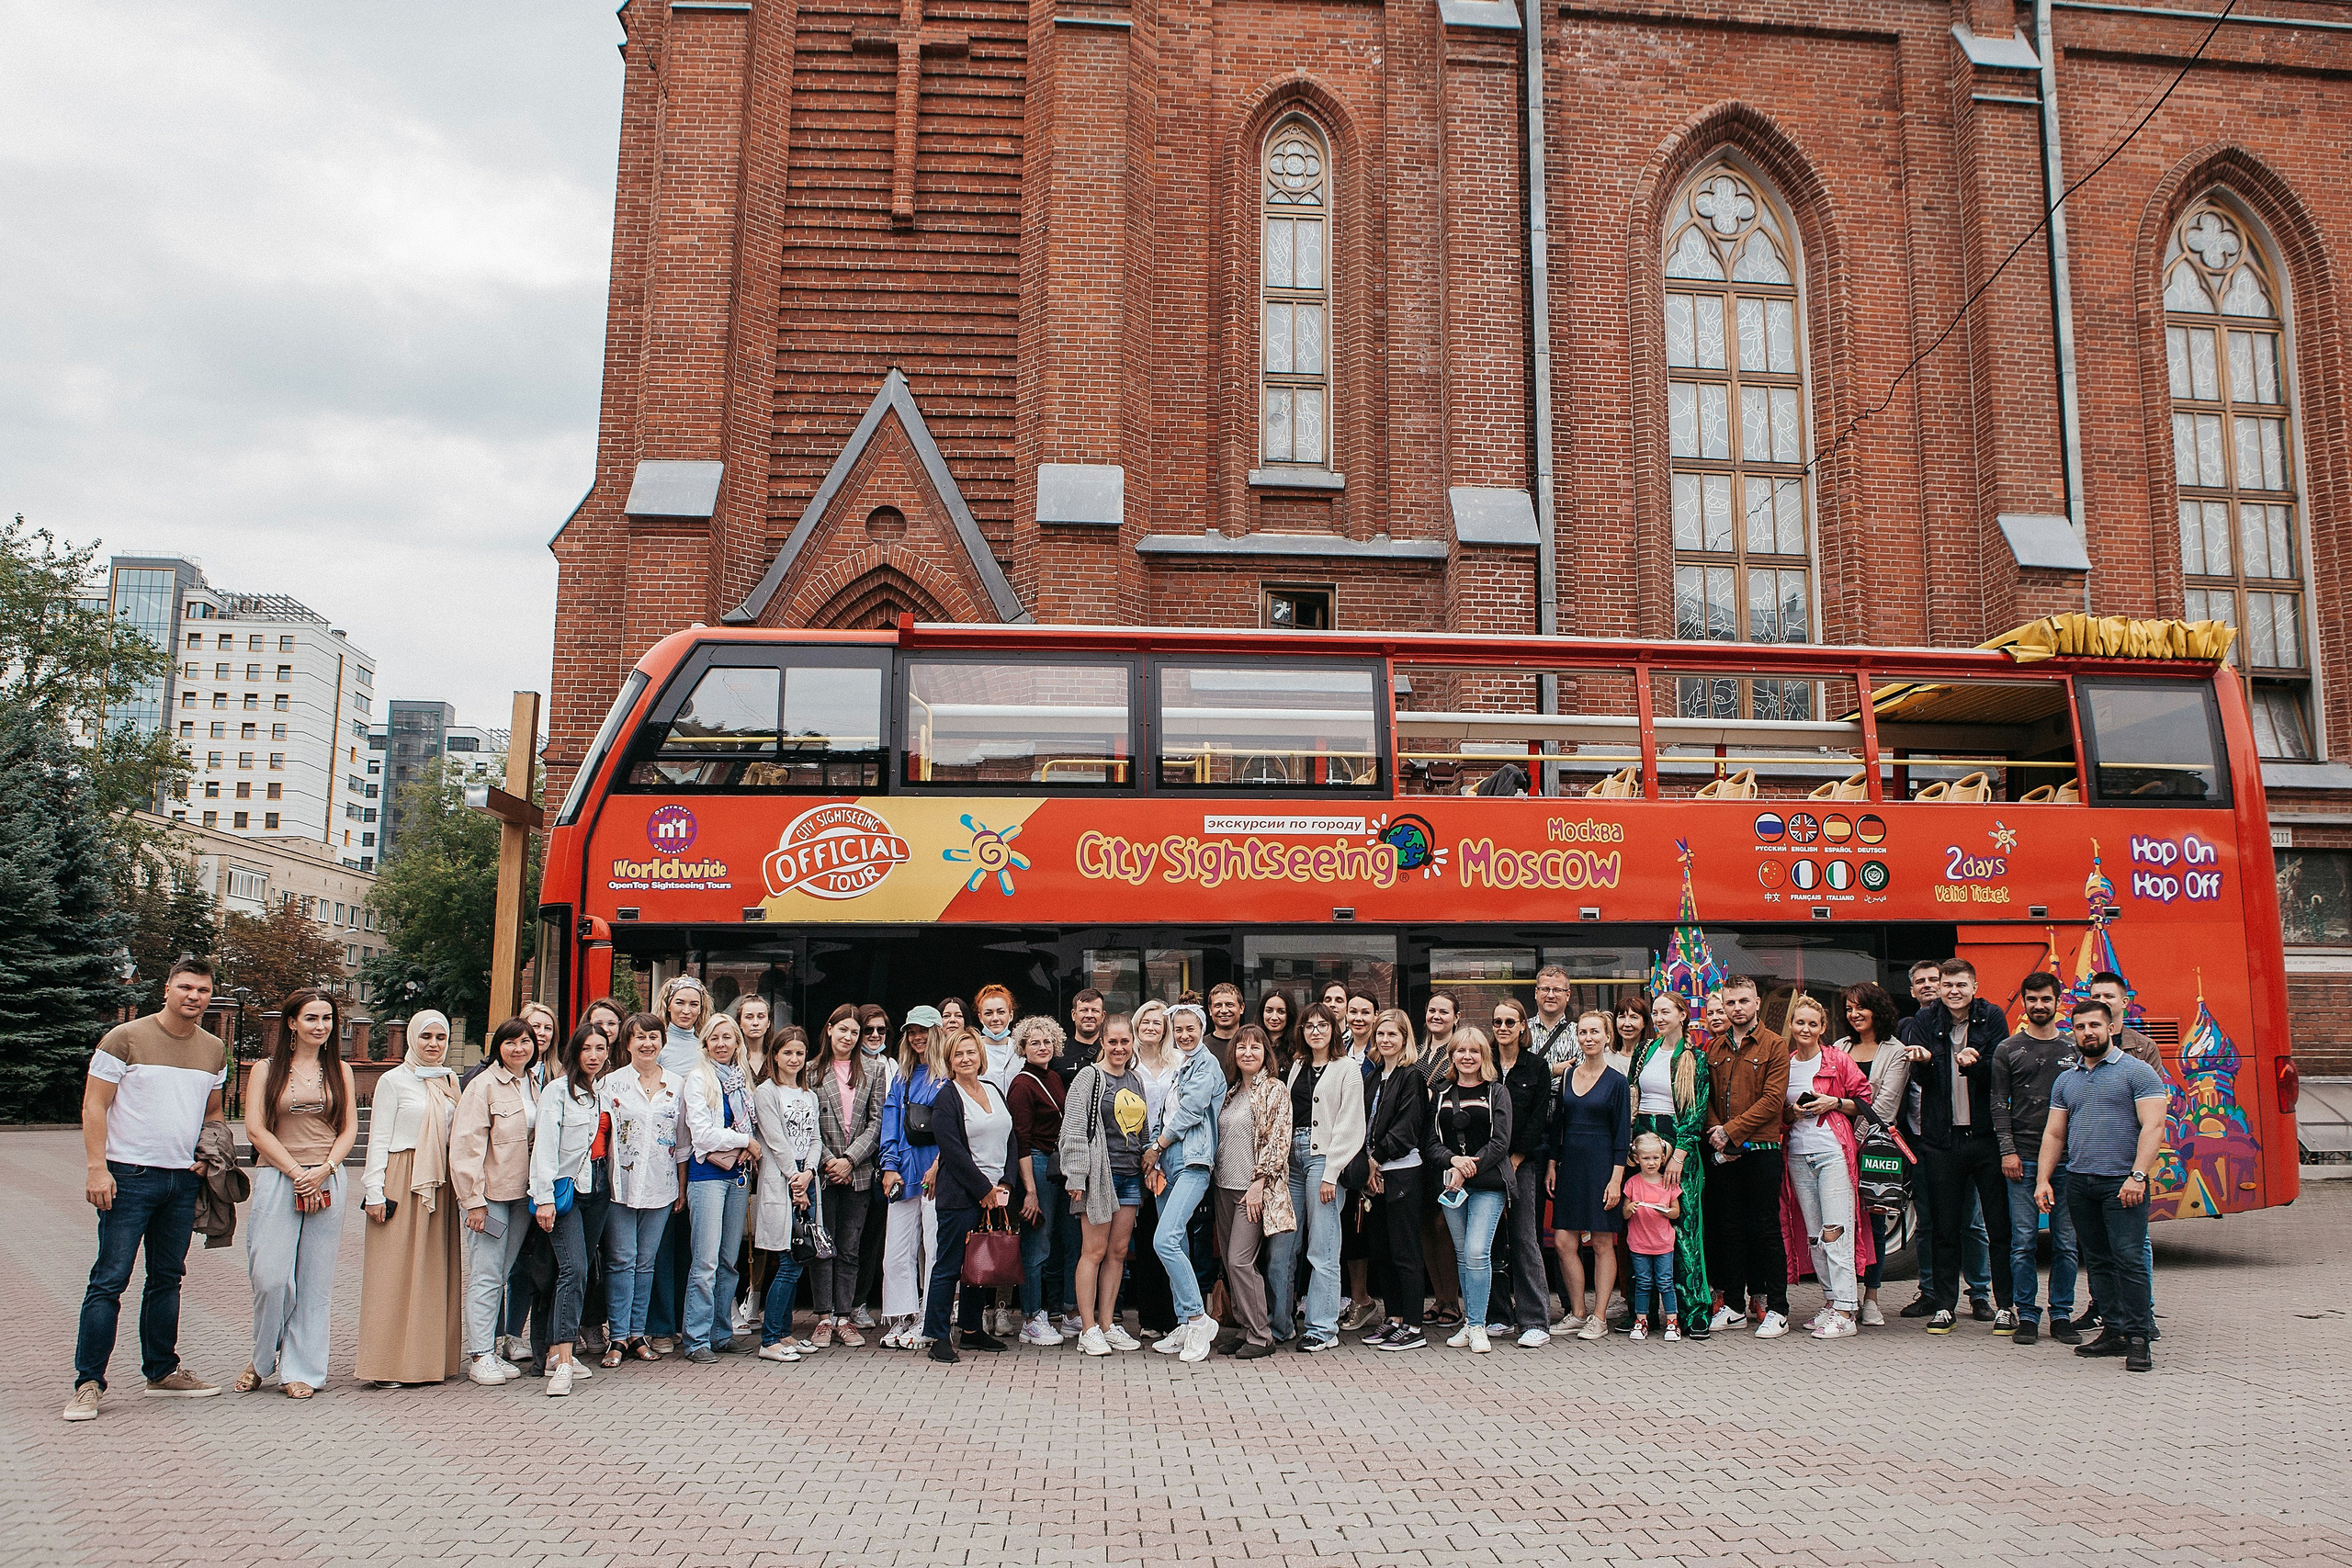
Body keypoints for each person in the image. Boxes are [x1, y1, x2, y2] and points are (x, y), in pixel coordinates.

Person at [66, 958, 231, 1421]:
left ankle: (161, 1371)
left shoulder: (214, 1049)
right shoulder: (125, 1038)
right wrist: (97, 1168)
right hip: (128, 1177)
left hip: (182, 1181)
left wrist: (208, 1155)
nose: (193, 996)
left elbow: (213, 1112)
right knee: (109, 1280)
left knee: (166, 1278)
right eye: (185, 987)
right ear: (167, 989)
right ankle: (88, 1383)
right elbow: (94, 1105)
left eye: (202, 989)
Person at [236, 987, 357, 1402]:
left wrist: (324, 1169)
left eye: (327, 1019)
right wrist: (294, 1171)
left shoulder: (340, 1069)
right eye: (311, 1018)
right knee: (270, 1278)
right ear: (292, 1022)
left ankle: (301, 1369)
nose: (320, 1026)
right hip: (277, 1177)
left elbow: (349, 1131)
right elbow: (255, 1129)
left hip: (326, 1180)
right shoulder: (265, 1070)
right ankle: (260, 1358)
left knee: (314, 1283)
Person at [2036, 998, 2168, 1372]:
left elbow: (2153, 1127)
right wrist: (2044, 1179)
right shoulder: (2068, 1079)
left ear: (2111, 1028)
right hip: (2080, 1182)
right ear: (2073, 1031)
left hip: (2122, 1183)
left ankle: (2140, 1338)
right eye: (2080, 1027)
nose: (2087, 1032)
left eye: (2095, 1025)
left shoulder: (2138, 1073)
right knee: (2097, 1261)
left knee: (2128, 1259)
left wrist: (2138, 1175)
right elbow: (2054, 1132)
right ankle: (2114, 1331)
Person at [1894, 958, 2017, 1335]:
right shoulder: (1925, 1022)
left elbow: (2001, 1068)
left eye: (1961, 984)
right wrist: (1925, 1062)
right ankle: (1945, 1305)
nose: (1953, 991)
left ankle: (2004, 1305)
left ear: (1974, 986)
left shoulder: (1992, 1016)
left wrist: (1974, 1064)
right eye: (1947, 985)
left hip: (1984, 1138)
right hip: (1941, 1140)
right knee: (1944, 1227)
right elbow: (1918, 1075)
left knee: (1996, 1226)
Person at [355, 1010, 466, 1387]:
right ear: (412, 1039)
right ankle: (386, 1365)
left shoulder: (450, 1080)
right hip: (403, 1178)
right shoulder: (392, 1081)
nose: (433, 1045)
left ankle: (429, 1361)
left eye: (440, 1037)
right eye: (426, 1037)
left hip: (440, 1181)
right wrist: (374, 1190)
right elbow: (379, 1138)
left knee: (434, 1271)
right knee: (394, 1272)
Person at [1775, 995, 1874, 1339]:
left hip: (1833, 1152)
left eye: (1812, 1024)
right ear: (1791, 1025)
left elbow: (1865, 1100)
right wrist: (1793, 1113)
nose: (1805, 1029)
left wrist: (1834, 1102)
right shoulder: (1784, 1064)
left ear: (1823, 1028)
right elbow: (1780, 1115)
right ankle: (1831, 1302)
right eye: (1800, 1023)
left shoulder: (1838, 1059)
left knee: (1837, 1230)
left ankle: (1847, 1308)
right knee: (1816, 1235)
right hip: (1798, 1156)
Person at [450, 1018, 541, 1386]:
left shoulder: (534, 1084)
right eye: (510, 1042)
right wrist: (473, 1200)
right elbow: (466, 1146)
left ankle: (491, 1345)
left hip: (522, 1195)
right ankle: (480, 1355)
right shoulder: (482, 1086)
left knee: (502, 1272)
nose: (519, 1049)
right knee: (487, 1275)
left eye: (525, 1042)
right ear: (498, 1047)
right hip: (490, 1197)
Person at [1993, 972, 2082, 1346]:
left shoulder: (2074, 1050)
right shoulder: (2008, 1049)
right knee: (2023, 1241)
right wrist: (2007, 1151)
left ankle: (2061, 1315)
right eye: (2032, 999)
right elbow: (1998, 1105)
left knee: (2066, 1242)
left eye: (2046, 999)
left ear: (2057, 1002)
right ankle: (2026, 1314)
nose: (2039, 1006)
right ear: (2024, 1003)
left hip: (2068, 1162)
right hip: (2023, 1160)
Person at [1267, 1002, 1362, 1353]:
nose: (1316, 1031)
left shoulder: (1347, 1068)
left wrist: (1331, 1175)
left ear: (1334, 1030)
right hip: (1290, 1161)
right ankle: (1280, 1324)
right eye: (1309, 1026)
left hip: (1324, 1160)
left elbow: (1352, 1126)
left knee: (1322, 1248)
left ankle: (1322, 1328)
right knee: (1282, 1248)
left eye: (1323, 1025)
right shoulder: (1295, 1067)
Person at [1701, 975, 1791, 1338]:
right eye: (1730, 1002)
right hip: (1725, 1152)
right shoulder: (1715, 1048)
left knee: (1767, 1229)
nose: (1736, 1008)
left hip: (1762, 1152)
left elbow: (1772, 1100)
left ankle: (1779, 1310)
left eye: (1743, 1001)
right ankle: (1736, 1306)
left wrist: (1731, 1131)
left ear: (1756, 1002)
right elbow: (1705, 1096)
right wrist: (1716, 1133)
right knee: (1730, 1229)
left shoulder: (1775, 1046)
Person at [598, 1012, 685, 1366]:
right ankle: (617, 1337)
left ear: (662, 1042)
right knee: (621, 1261)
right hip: (619, 1186)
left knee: (646, 1263)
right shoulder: (610, 1084)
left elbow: (683, 1143)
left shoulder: (677, 1086)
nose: (647, 1044)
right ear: (627, 1043)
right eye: (639, 1038)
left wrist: (681, 1187)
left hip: (661, 1186)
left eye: (653, 1037)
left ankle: (638, 1334)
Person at [1140, 1002, 1227, 1362]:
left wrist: (1158, 1145)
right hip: (1167, 1161)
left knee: (1165, 1239)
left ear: (1202, 1029)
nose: (1184, 1035)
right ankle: (1183, 1321)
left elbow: (1191, 1111)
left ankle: (1197, 1318)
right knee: (1178, 1244)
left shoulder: (1206, 1065)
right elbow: (1165, 1113)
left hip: (1193, 1161)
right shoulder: (1180, 1067)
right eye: (1178, 1030)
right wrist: (1155, 1152)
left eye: (1190, 1029)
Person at [924, 1032, 1017, 1363]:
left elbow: (1010, 1138)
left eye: (970, 1052)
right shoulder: (947, 1096)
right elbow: (952, 1149)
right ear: (949, 1061)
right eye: (958, 1054)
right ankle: (936, 1336)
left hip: (996, 1194)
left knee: (981, 1264)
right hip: (962, 1195)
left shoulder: (993, 1089)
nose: (965, 1058)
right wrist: (984, 1190)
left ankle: (972, 1332)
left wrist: (1005, 1182)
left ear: (980, 1055)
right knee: (949, 1267)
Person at [529, 1021, 610, 1396]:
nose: (594, 1056)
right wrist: (543, 1197)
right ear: (575, 1052)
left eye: (601, 1048)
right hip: (566, 1191)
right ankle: (562, 1360)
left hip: (599, 1188)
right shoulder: (557, 1091)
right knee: (573, 1268)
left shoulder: (605, 1093)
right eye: (587, 1048)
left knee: (578, 1268)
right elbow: (545, 1145)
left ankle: (552, 1349)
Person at [1061, 1012, 1149, 1354]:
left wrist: (1148, 1161)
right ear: (1102, 1041)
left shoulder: (1135, 1080)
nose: (1119, 1047)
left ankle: (1109, 1324)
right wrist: (1076, 1176)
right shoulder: (1089, 1077)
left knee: (1118, 1253)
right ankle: (1087, 1329)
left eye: (1124, 1041)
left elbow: (1140, 1129)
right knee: (1093, 1252)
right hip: (1098, 1176)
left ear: (1132, 1043)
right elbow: (1073, 1129)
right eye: (1112, 1041)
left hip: (1129, 1176)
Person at [2086, 969, 2165, 1336]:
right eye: (2095, 995)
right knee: (2096, 1248)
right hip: (2089, 1162)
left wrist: (2139, 1170)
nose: (2102, 1002)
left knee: (2134, 1247)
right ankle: (2102, 1310)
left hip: (2127, 1162)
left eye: (2109, 996)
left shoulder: (2142, 1049)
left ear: (2123, 1003)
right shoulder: (2082, 1043)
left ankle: (2142, 1316)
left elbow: (2149, 1113)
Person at [1629, 993, 1712, 1338]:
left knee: (1682, 1226)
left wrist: (1679, 1153)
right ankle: (1644, 1313)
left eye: (1665, 1012)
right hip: (1644, 1142)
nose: (1658, 1018)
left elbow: (1697, 1112)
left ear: (1682, 1014)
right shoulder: (1643, 1051)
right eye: (1656, 1012)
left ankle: (1693, 1312)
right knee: (1643, 1221)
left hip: (1678, 1143)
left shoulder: (1696, 1058)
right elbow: (1634, 1096)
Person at [677, 1012, 759, 1362]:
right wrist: (745, 1140)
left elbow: (753, 1125)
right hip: (707, 1178)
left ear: (737, 1042)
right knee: (706, 1262)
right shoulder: (698, 1079)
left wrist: (748, 1143)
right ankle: (696, 1340)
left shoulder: (742, 1081)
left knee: (729, 1261)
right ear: (705, 1043)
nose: (722, 1044)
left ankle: (721, 1332)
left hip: (737, 1175)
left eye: (728, 1038)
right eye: (715, 1038)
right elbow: (703, 1134)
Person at [1207, 1026, 1294, 1359]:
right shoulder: (1229, 1093)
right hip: (1223, 1187)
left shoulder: (1274, 1090)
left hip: (1252, 1190)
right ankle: (1245, 1329)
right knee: (1230, 1266)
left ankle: (1262, 1334)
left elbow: (1279, 1140)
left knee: (1240, 1261)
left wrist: (1259, 1183)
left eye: (1255, 1047)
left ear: (1265, 1053)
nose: (1247, 1053)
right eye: (1241, 1048)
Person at [1424, 1027, 1511, 1353]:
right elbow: (1430, 1142)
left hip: (1487, 1184)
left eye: (1474, 1051)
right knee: (1462, 1254)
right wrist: (1453, 1161)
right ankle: (1470, 1321)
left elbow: (1501, 1141)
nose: (1467, 1057)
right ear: (1452, 1056)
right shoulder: (1442, 1092)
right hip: (1451, 1186)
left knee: (1477, 1252)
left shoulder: (1497, 1092)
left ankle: (1478, 1325)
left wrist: (1468, 1166)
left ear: (1484, 1056)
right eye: (1461, 1051)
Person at [1549, 1010, 1630, 1341]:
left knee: (1600, 1241)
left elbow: (1622, 1132)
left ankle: (1599, 1317)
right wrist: (1553, 1164)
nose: (1588, 1038)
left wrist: (1616, 1179)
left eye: (1595, 1032)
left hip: (1602, 1166)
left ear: (1607, 1037)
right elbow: (1559, 1125)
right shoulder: (1567, 1076)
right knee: (1564, 1240)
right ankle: (1578, 1311)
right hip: (1570, 1165)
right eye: (1583, 1032)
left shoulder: (1617, 1081)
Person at [808, 1003, 885, 1347]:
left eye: (855, 1032)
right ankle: (823, 1317)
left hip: (859, 1173)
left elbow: (878, 1121)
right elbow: (806, 1125)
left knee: (850, 1248)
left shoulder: (874, 1069)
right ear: (829, 1029)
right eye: (844, 1030)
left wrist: (850, 1160)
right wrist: (829, 1161)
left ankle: (844, 1315)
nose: (849, 1037)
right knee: (822, 1246)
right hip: (823, 1172)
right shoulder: (810, 1070)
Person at [641, 975, 711, 1350]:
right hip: (661, 1153)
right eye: (680, 1003)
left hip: (699, 1156)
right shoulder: (658, 1045)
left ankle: (688, 1321)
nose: (687, 1011)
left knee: (691, 1243)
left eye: (694, 1005)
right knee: (660, 1243)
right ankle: (660, 1325)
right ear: (667, 1004)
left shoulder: (704, 1047)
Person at [1362, 1009, 1430, 1351]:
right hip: (1374, 1175)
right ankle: (1394, 1319)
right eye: (1381, 1035)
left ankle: (1414, 1326)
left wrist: (1375, 1159)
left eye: (1393, 1035)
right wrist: (1367, 1165)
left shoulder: (1411, 1076)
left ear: (1405, 1039)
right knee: (1383, 1251)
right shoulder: (1373, 1077)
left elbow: (1406, 1129)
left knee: (1405, 1251)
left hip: (1402, 1171)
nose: (1385, 1041)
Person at [751, 1027, 820, 1361]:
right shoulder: (767, 1093)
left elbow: (817, 1139)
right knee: (788, 1262)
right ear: (775, 1055)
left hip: (806, 1179)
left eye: (800, 1053)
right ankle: (769, 1340)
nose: (794, 1059)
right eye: (787, 1053)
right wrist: (796, 1178)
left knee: (801, 1256)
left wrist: (809, 1172)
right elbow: (776, 1141)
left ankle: (785, 1332)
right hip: (783, 1184)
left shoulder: (810, 1095)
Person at [1008, 1015, 1076, 1344]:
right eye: (1034, 1042)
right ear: (1023, 1047)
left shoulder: (1054, 1078)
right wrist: (1030, 1192)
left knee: (1067, 1240)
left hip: (1058, 1166)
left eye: (1047, 1041)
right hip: (1036, 1166)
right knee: (1037, 1245)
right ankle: (1032, 1318)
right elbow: (1020, 1140)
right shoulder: (1021, 1084)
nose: (1042, 1046)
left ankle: (1065, 1312)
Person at [878, 1010, 944, 1348]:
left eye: (924, 1031)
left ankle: (927, 1318)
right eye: (912, 1032)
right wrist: (889, 1166)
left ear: (936, 1033)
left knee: (933, 1251)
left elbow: (954, 1130)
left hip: (935, 1173)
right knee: (896, 1251)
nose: (917, 1037)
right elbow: (889, 1123)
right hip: (904, 1171)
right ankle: (901, 1314)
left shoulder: (945, 1076)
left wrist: (938, 1164)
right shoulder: (901, 1077)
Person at [1490, 998, 1554, 1345]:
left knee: (1525, 1239)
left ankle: (1535, 1321)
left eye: (1509, 1022)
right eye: (1497, 1022)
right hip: (1485, 1167)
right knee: (1491, 1242)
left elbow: (1538, 1118)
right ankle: (1499, 1315)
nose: (1503, 1028)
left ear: (1522, 1027)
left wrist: (1515, 1158)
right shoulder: (1484, 1064)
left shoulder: (1536, 1067)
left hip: (1522, 1164)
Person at [1841, 981, 1903, 1326]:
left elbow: (1884, 1106)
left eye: (1860, 1007)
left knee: (1875, 1222)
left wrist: (1853, 1141)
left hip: (1873, 1147)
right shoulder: (1838, 1047)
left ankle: (1872, 1298)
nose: (1854, 1014)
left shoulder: (1895, 1051)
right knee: (1841, 1222)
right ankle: (1841, 1295)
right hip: (1839, 1146)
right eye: (1849, 1009)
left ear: (1876, 1008)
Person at [1126, 999, 1182, 1337]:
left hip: (1172, 1156)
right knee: (1146, 1237)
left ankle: (1174, 1317)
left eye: (1157, 1022)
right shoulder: (1127, 1062)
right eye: (1145, 1021)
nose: (1151, 1027)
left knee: (1172, 1236)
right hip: (1136, 1158)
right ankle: (1149, 1319)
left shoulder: (1178, 1062)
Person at [729, 993, 777, 1332]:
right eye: (749, 1016)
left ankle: (755, 1296)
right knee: (735, 1233)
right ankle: (730, 1301)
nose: (755, 1022)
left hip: (770, 1155)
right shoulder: (730, 1057)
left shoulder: (776, 1057)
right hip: (736, 1155)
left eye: (761, 1016)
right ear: (739, 1020)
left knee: (762, 1232)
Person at [1622, 1133, 1683, 1341]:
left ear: (1662, 1158)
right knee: (1643, 1283)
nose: (1651, 1163)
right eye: (1646, 1158)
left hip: (1664, 1243)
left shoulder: (1668, 1182)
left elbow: (1676, 1212)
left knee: (1666, 1282)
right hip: (1639, 1243)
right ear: (1637, 1159)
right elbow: (1625, 1213)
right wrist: (1630, 1207)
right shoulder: (1632, 1183)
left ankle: (1672, 1322)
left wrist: (1666, 1211)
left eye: (1656, 1158)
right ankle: (1641, 1320)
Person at [1529, 965, 1577, 1083]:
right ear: (1536, 993)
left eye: (1557, 990)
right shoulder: (1521, 1030)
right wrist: (1553, 1070)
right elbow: (1515, 1073)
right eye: (1545, 989)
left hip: (1564, 1101)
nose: (1550, 995)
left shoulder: (1579, 1033)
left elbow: (1581, 1075)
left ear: (1568, 995)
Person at [973, 985, 1021, 1093]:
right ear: (980, 1018)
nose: (995, 1018)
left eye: (1001, 1012)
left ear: (1011, 1015)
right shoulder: (972, 1049)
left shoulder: (1022, 1050)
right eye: (988, 1013)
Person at [1057, 988, 1106, 1077]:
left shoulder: (1110, 1051)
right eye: (1084, 1010)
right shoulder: (1058, 1051)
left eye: (1095, 1011)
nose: (1089, 1015)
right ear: (1073, 1015)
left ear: (1103, 1016)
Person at [1205, 982, 1245, 1072]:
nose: (1224, 1010)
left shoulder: (1252, 1045)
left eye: (1229, 1005)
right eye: (1218, 1005)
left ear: (1242, 1008)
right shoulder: (1201, 1048)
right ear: (1210, 1010)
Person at [1257, 989, 1297, 1070]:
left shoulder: (1298, 1047)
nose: (1274, 1017)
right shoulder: (1252, 1043)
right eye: (1269, 1011)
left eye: (1281, 1012)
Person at [1609, 997, 1645, 1076]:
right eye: (1622, 1017)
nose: (1627, 1024)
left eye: (1634, 1017)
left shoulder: (1651, 1057)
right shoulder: (1604, 1056)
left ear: (1644, 1022)